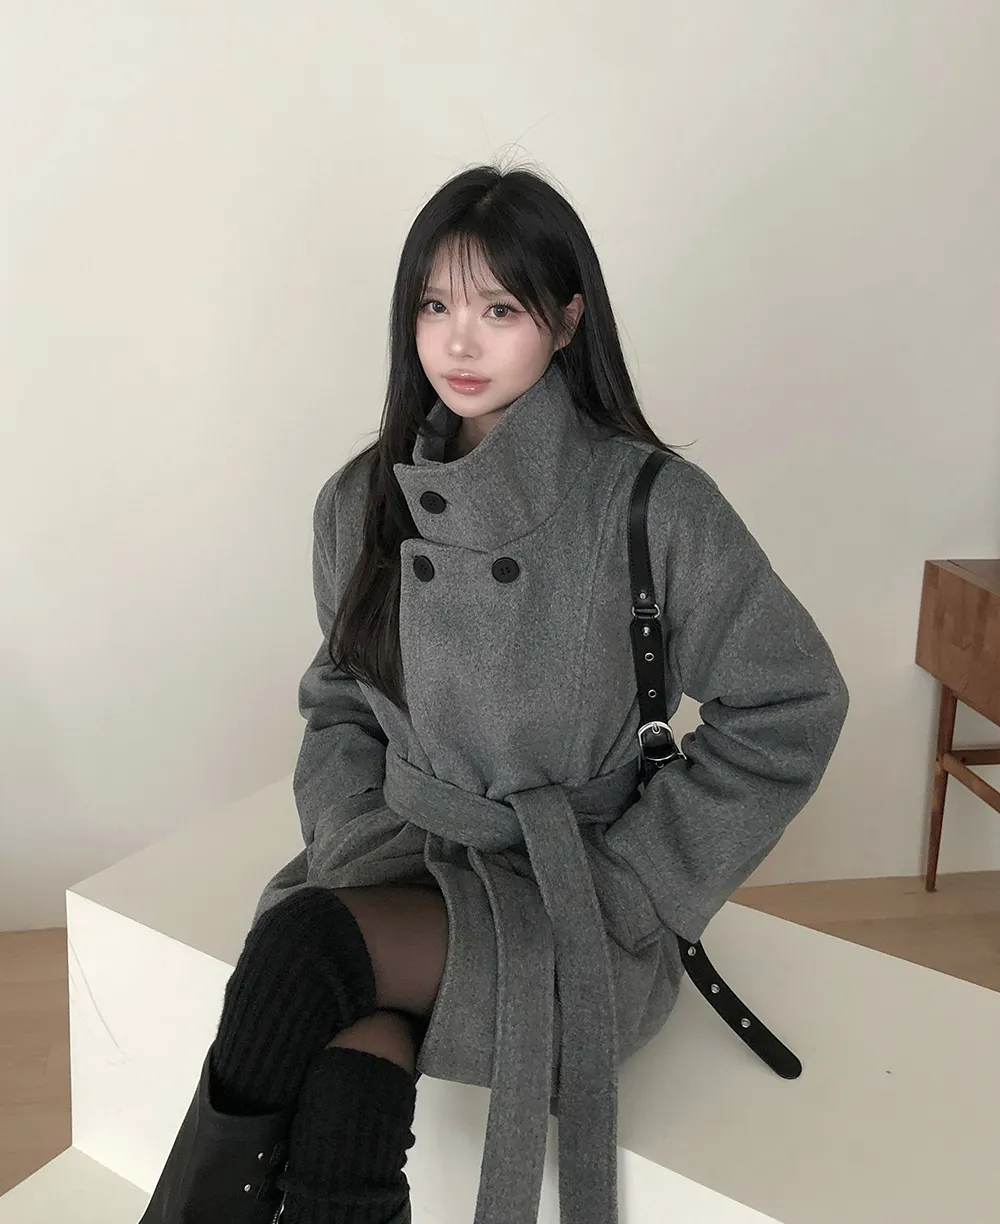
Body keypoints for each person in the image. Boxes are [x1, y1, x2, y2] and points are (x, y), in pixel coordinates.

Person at [139, 163, 850, 1224]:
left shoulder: (651, 507)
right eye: (434, 306)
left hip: (568, 898)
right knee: (344, 1072)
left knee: (302, 951)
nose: (459, 343)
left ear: (566, 321)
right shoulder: (359, 501)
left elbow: (791, 704)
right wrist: (348, 828)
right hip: (396, 854)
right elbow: (340, 698)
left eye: (499, 309)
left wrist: (638, 883)